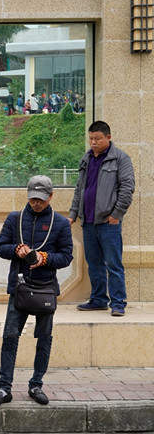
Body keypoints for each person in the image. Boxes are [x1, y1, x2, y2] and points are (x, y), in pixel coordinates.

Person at [0, 175, 73, 407]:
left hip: (46, 289)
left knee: (44, 338)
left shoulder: (61, 223)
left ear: (51, 196)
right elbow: (1, 248)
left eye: (41, 200)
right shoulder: (15, 219)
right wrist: (17, 249)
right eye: (33, 199)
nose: (37, 203)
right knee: (10, 337)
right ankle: (4, 388)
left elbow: (66, 256)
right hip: (19, 287)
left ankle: (36, 384)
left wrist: (44, 258)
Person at [69, 121, 135, 316]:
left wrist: (116, 215)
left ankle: (118, 303)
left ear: (108, 137)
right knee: (94, 263)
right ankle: (98, 300)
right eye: (90, 138)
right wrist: (73, 214)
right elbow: (79, 189)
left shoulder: (120, 159)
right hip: (88, 221)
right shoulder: (86, 158)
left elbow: (127, 188)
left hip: (109, 223)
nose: (93, 142)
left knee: (113, 264)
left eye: (97, 138)